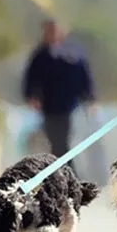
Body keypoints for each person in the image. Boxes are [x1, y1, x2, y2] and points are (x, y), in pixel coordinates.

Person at [22, 18, 96, 169]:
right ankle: (65, 172)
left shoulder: (72, 54)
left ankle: (68, 173)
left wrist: (89, 99)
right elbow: (31, 78)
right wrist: (31, 96)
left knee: (62, 140)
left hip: (68, 104)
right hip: (49, 105)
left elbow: (83, 76)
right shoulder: (40, 56)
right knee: (55, 140)